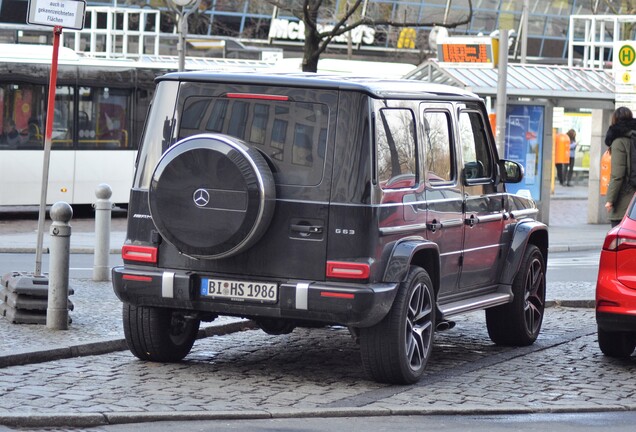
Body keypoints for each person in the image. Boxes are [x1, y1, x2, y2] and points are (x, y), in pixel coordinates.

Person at [604, 106, 636, 227]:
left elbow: (617, 175)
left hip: (625, 199)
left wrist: (610, 200)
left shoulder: (619, 142)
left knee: (620, 240)